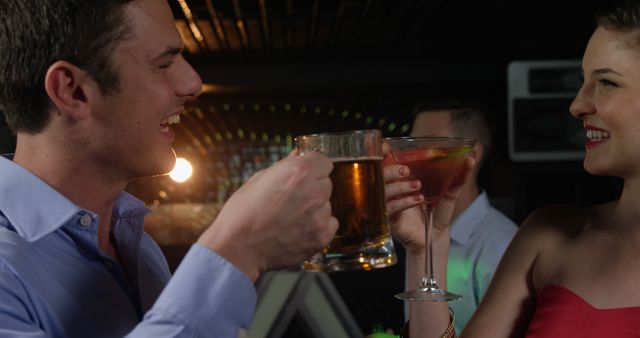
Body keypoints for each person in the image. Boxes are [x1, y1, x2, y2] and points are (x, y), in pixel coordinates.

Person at [0, 1, 337, 337]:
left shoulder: (135, 243)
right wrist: (235, 251)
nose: (193, 83)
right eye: (163, 64)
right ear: (72, 91)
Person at [385, 0, 640, 337]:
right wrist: (427, 249)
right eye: (582, 82)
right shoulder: (547, 236)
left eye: (606, 82)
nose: (577, 105)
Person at [407, 101, 518, 332]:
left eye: (427, 144)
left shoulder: (499, 247)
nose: (410, 157)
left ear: (471, 156)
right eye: (411, 145)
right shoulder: (420, 234)